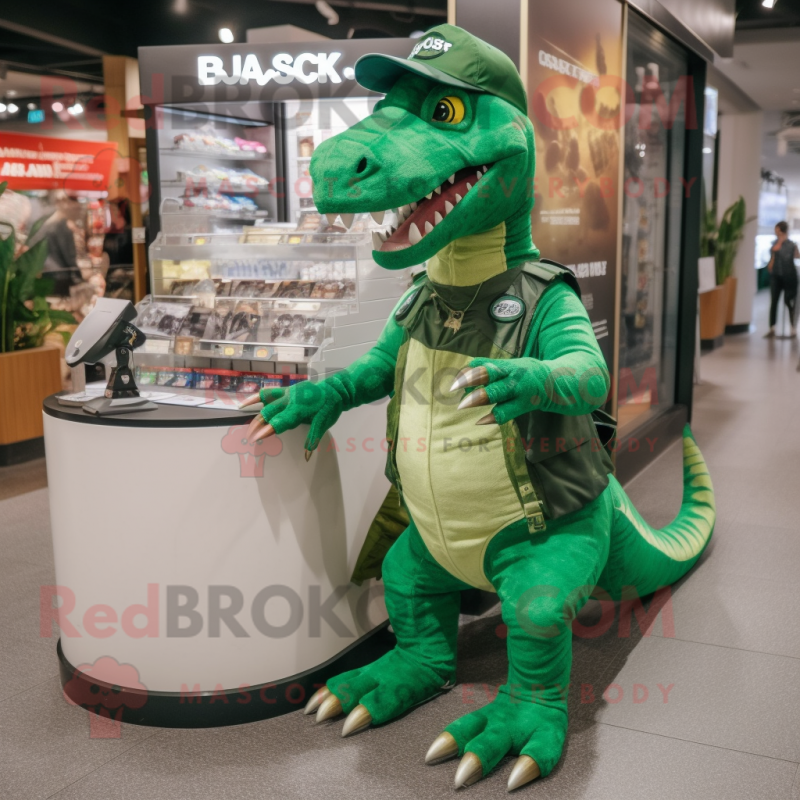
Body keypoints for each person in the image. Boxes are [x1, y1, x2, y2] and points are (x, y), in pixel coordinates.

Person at [765, 220, 799, 338]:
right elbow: (772, 260)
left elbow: (796, 256)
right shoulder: (774, 244)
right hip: (776, 276)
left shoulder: (791, 245)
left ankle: (792, 328)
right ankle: (772, 327)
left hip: (789, 276)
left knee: (789, 302)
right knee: (774, 301)